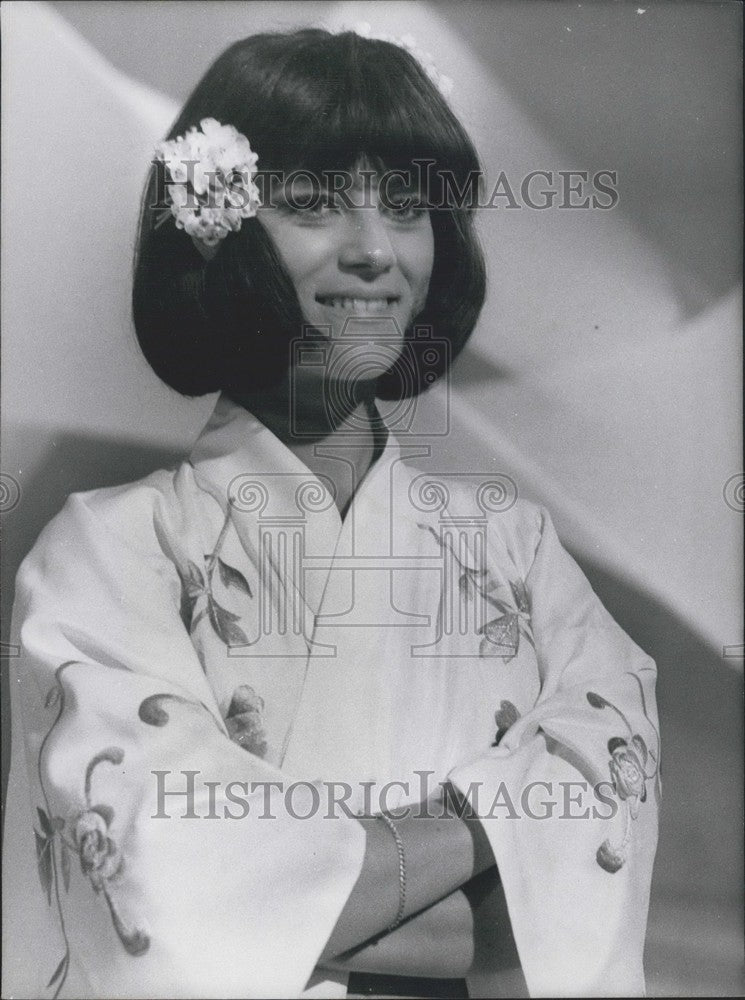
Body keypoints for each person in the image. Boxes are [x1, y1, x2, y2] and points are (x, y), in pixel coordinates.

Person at [3, 28, 660, 1000]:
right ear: (219, 225)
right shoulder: (106, 555)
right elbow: (151, 886)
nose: (372, 250)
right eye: (313, 204)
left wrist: (278, 893)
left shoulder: (516, 554)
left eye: (405, 208)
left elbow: (601, 853)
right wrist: (505, 832)